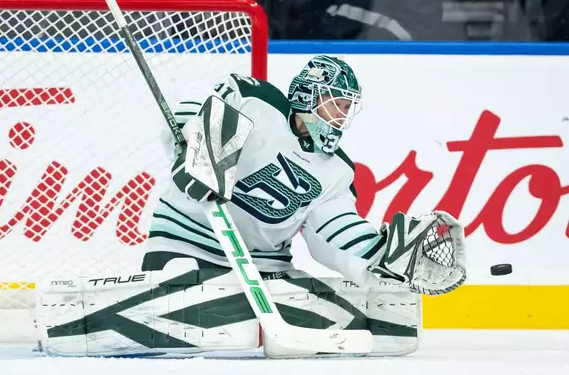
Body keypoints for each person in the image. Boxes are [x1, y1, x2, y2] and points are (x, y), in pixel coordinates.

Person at [141, 54, 465, 294]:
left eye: (346, 108)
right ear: (307, 95)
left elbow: (334, 232)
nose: (340, 116)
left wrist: (381, 259)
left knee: (335, 308)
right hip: (186, 243)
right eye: (334, 104)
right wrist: (196, 138)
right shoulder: (255, 101)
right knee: (177, 284)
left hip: (263, 267)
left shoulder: (337, 171)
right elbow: (199, 94)